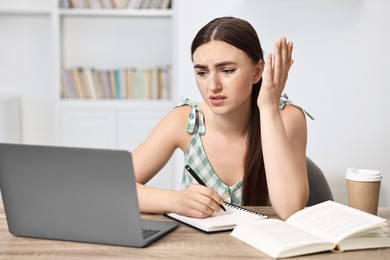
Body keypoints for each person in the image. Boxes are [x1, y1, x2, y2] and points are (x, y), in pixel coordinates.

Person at [133, 16, 312, 220]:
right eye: (202, 72)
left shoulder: (287, 118)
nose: (213, 86)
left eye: (227, 71)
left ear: (257, 71)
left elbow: (290, 209)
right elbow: (114, 186)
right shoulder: (185, 120)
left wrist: (268, 107)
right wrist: (176, 200)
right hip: (197, 248)